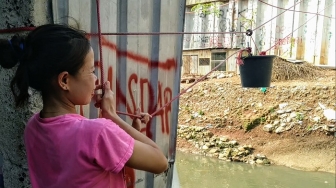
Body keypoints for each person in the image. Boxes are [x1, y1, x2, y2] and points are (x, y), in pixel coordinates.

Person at [0, 24, 168, 188]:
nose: (96, 79)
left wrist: (129, 132)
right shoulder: (98, 133)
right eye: (91, 71)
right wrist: (112, 115)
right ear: (65, 80)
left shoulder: (32, 128)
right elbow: (160, 162)